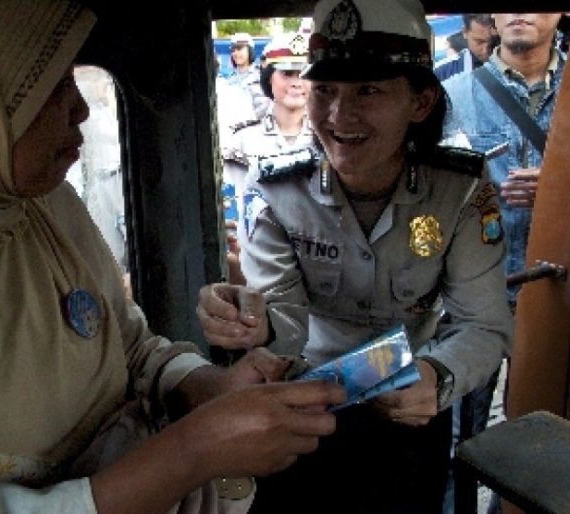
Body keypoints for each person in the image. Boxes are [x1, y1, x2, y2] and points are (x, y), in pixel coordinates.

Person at [0, 1, 347, 513]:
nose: (81, 109)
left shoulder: (36, 202)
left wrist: (206, 388)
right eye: (50, 84)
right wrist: (193, 452)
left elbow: (128, 346)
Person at [197, 0, 514, 512]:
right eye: (325, 90)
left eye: (368, 90)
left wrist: (439, 378)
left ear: (421, 101)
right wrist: (251, 323)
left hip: (414, 406)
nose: (341, 116)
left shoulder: (459, 190)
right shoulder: (279, 189)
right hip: (302, 411)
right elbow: (282, 315)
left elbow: (485, 325)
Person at [442, 12, 565, 514]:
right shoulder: (450, 95)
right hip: (478, 292)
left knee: (553, 433)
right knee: (457, 440)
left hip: (561, 295)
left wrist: (562, 192)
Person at [221, 31, 315, 284]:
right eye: (287, 74)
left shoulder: (332, 140)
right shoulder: (241, 141)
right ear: (268, 78)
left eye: (305, 74)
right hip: (257, 264)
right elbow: (231, 205)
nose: (297, 82)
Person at [434, 14, 496, 82]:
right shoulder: (442, 73)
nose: (485, 50)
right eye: (479, 42)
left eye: (493, 41)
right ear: (465, 32)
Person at [225, 32, 270, 121]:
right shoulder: (229, 79)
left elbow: (264, 106)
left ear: (250, 50)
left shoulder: (260, 76)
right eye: (233, 50)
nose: (236, 53)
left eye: (239, 49)